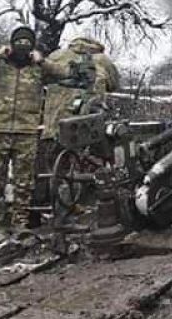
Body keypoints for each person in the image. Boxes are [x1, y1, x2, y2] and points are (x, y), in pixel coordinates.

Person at [0, 27, 67, 255]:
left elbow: (64, 74)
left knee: (24, 182)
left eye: (26, 42)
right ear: (11, 43)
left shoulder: (38, 69)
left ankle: (20, 226)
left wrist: (43, 61)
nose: (22, 45)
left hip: (26, 131)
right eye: (17, 41)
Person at [33, 37, 119, 219]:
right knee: (92, 164)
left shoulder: (56, 55)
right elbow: (114, 85)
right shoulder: (101, 59)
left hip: (55, 123)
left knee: (58, 167)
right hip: (87, 124)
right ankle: (90, 207)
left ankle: (59, 208)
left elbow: (40, 79)